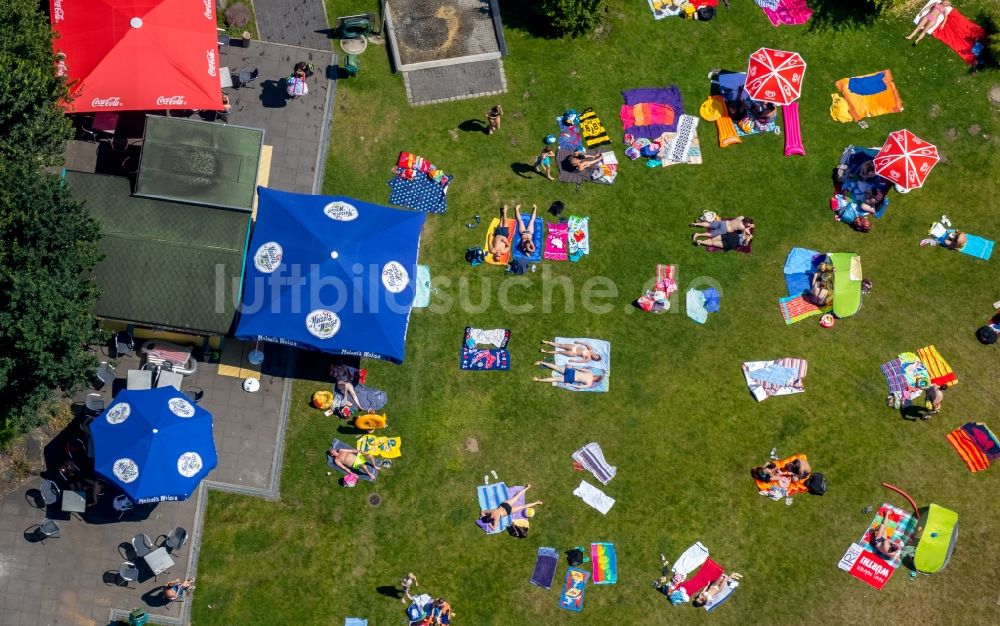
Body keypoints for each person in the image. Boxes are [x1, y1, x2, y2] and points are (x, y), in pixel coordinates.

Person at [478, 483, 542, 532]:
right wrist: (482, 515)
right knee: (516, 497)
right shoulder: (491, 511)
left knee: (523, 506)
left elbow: (494, 528)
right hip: (504, 505)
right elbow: (482, 512)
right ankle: (527, 487)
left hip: (508, 511)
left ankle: (537, 502)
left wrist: (489, 524)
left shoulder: (496, 518)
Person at [532, 361, 603, 390]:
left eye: (597, 376)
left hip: (570, 378)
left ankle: (538, 380)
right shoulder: (590, 372)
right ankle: (541, 362)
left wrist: (571, 385)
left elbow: (580, 386)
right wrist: (573, 367)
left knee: (555, 379)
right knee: (555, 367)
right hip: (572, 372)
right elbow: (581, 369)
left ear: (597, 379)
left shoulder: (590, 383)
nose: (596, 375)